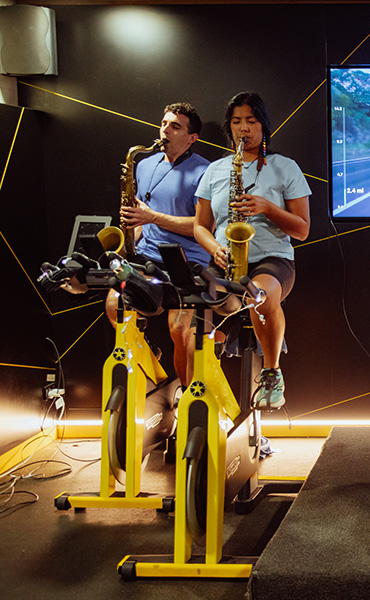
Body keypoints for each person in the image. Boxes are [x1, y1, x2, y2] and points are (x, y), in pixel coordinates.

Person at [194, 92, 311, 410]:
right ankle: (202, 373)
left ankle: (272, 372)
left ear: (264, 125)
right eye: (236, 122)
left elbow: (302, 230)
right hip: (226, 259)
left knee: (259, 294)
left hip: (273, 259)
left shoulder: (284, 167)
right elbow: (199, 226)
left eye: (251, 120)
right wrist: (214, 247)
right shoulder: (216, 171)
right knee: (192, 299)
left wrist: (267, 208)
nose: (243, 128)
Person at [104, 102, 211, 388]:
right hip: (148, 255)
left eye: (175, 126)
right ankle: (151, 355)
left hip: (187, 260)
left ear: (192, 138)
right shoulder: (143, 164)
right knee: (114, 305)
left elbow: (204, 226)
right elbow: (142, 217)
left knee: (179, 329)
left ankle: (186, 400)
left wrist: (153, 217)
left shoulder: (205, 171)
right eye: (164, 123)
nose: (165, 130)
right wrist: (132, 236)